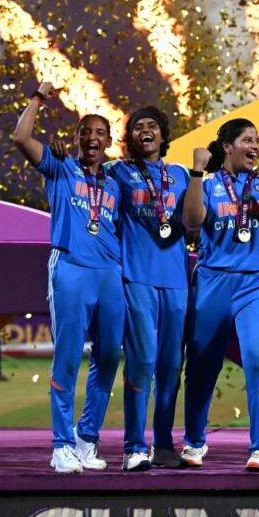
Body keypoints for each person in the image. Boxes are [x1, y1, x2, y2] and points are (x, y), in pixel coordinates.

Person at [180, 118, 259, 472]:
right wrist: (196, 172)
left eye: (257, 141)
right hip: (213, 281)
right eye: (248, 140)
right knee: (201, 365)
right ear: (227, 147)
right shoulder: (207, 184)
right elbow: (192, 221)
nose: (255, 147)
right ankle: (194, 441)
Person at [12, 81, 125, 474]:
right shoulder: (60, 166)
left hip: (110, 273)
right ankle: (61, 445)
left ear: (108, 141)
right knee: (68, 357)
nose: (92, 137)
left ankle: (86, 438)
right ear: (76, 139)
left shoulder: (115, 183)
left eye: (100, 132)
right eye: (85, 131)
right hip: (71, 268)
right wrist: (38, 97)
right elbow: (21, 137)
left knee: (109, 357)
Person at [107, 106, 191, 471]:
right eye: (138, 127)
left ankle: (164, 444)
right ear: (130, 138)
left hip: (176, 281)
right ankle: (134, 447)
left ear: (163, 134)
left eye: (152, 125)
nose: (146, 130)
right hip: (137, 277)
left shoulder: (182, 174)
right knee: (142, 362)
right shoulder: (118, 172)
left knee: (171, 366)